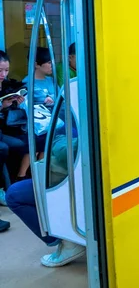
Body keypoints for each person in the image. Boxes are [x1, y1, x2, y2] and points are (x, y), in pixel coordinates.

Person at [6, 106, 86, 267]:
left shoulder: (79, 104)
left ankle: (68, 241)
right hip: (75, 173)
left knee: (14, 195)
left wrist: (54, 138)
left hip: (71, 178)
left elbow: (68, 152)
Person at [0, 50, 27, 221]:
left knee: (20, 144)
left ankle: (15, 185)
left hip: (2, 131)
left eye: (6, 70)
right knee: (2, 149)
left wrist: (12, 103)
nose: (3, 75)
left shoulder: (6, 85)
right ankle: (5, 190)